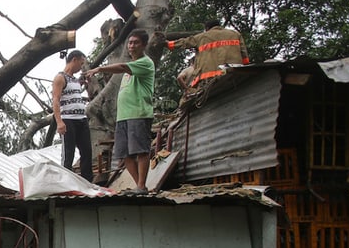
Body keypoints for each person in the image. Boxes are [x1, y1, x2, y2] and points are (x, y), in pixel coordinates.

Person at [83, 29, 155, 194]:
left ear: (144, 45)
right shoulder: (129, 70)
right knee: (124, 153)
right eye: (130, 42)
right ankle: (140, 186)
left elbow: (122, 66)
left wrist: (99, 69)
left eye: (136, 42)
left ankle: (141, 186)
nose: (131, 46)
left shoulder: (145, 62)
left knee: (141, 150)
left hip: (139, 113)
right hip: (123, 117)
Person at [166, 19, 249, 89]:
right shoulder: (235, 34)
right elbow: (244, 54)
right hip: (235, 72)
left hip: (209, 77)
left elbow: (185, 42)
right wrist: (244, 68)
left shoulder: (202, 37)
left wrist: (168, 44)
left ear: (207, 28)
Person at [52, 50, 93, 181]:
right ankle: (65, 182)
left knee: (86, 151)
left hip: (82, 119)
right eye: (81, 63)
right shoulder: (60, 78)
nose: (81, 67)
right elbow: (56, 100)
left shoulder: (75, 80)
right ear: (74, 60)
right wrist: (59, 122)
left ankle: (88, 181)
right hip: (68, 119)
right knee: (68, 153)